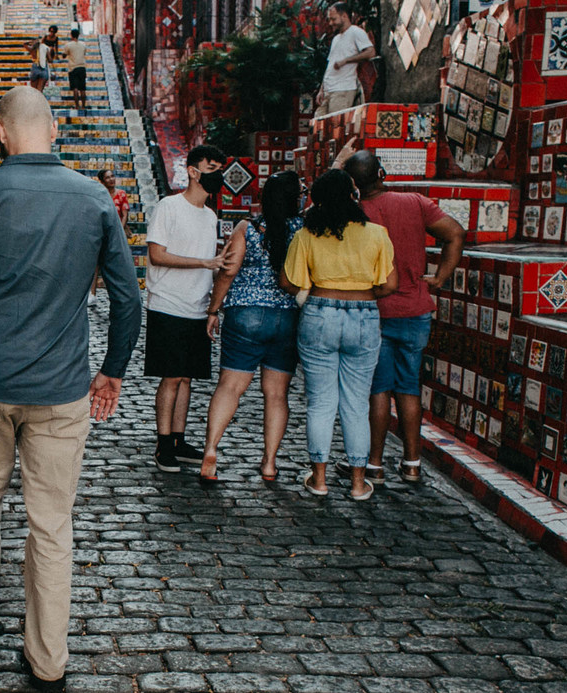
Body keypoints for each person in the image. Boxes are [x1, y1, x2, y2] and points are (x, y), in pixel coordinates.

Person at [0, 87, 142, 693]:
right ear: (55, 129)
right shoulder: (95, 199)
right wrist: (112, 369)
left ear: (1, 131)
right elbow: (128, 297)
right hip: (63, 387)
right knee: (52, 523)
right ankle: (47, 661)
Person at [343, 150, 465, 483]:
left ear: (353, 184)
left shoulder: (354, 213)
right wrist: (440, 278)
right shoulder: (415, 202)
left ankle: (375, 465)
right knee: (409, 389)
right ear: (381, 173)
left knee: (378, 390)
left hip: (375, 311)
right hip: (416, 309)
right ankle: (412, 464)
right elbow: (455, 232)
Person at [281, 169, 398, 500]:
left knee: (320, 401)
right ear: (353, 196)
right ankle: (359, 483)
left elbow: (288, 282)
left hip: (319, 313)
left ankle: (318, 479)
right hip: (364, 317)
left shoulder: (306, 235)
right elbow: (390, 284)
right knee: (356, 403)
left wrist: (315, 289)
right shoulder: (377, 234)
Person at [199, 171, 303, 485]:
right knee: (276, 395)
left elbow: (228, 271)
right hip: (286, 315)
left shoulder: (249, 227)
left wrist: (213, 309)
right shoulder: (303, 230)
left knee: (230, 386)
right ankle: (270, 463)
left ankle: (211, 451)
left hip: (245, 314)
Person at [145, 144, 226, 473]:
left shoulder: (211, 216)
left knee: (188, 377)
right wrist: (204, 262)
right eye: (211, 167)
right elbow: (157, 254)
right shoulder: (169, 206)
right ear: (193, 171)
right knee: (171, 376)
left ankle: (178, 440)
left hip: (197, 306)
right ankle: (163, 443)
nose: (216, 174)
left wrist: (212, 307)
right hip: (168, 302)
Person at [315, 2, 374, 116]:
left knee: (335, 126)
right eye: (329, 19)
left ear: (344, 16)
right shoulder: (336, 38)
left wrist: (346, 60)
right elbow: (330, 65)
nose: (331, 23)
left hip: (343, 89)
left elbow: (370, 52)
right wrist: (321, 90)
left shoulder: (356, 32)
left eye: (333, 19)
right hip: (328, 90)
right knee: (318, 127)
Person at [93, 168, 131, 307]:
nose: (111, 179)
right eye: (108, 177)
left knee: (118, 264)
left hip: (117, 233)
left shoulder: (121, 194)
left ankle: (119, 295)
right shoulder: (101, 195)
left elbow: (124, 213)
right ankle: (92, 293)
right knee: (96, 263)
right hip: (103, 232)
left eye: (113, 176)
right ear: (102, 181)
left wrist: (119, 231)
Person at [65, 28, 88, 111]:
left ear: (71, 35)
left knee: (75, 88)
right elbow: (84, 53)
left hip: (73, 68)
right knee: (82, 88)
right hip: (82, 67)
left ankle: (77, 106)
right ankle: (84, 106)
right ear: (78, 35)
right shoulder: (83, 44)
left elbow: (65, 54)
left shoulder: (68, 45)